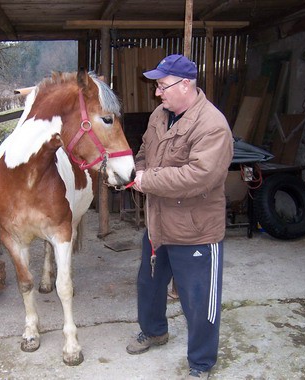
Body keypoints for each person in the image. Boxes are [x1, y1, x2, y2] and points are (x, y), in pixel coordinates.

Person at [126, 54, 233, 379]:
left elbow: (200, 176)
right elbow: (144, 151)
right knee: (149, 284)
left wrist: (147, 181)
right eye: (157, 86)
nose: (157, 93)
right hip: (158, 224)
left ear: (185, 84)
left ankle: (201, 363)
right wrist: (138, 171)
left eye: (162, 86)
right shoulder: (161, 114)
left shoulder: (212, 125)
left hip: (196, 231)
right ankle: (155, 331)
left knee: (199, 301)